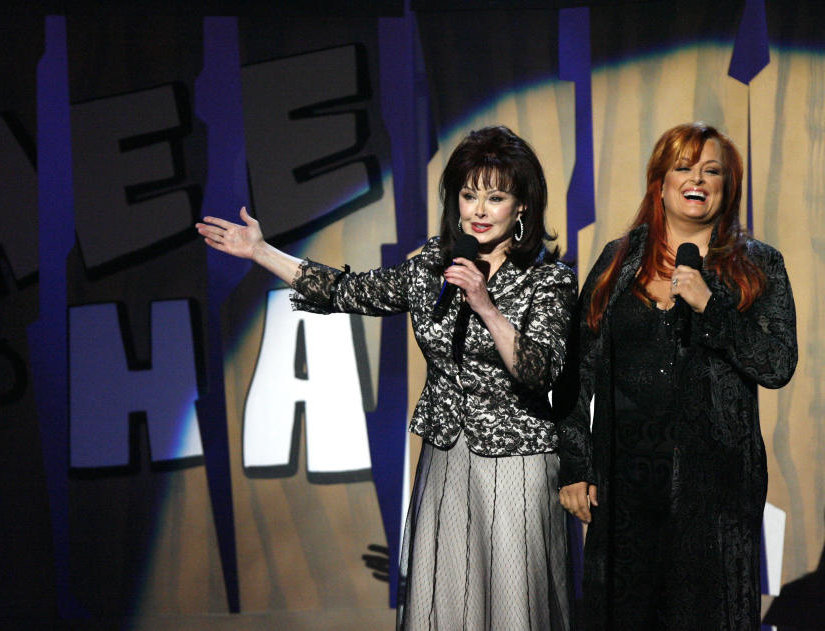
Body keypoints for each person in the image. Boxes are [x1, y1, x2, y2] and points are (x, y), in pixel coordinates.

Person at [198, 126, 575, 630]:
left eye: (495, 197)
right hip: (447, 456)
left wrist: (485, 305)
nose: (479, 210)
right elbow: (348, 291)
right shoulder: (430, 269)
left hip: (518, 462)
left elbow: (539, 371)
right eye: (468, 195)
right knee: (445, 601)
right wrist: (261, 251)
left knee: (512, 603)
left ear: (522, 206)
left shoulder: (548, 278)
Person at [556, 122, 798, 630]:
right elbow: (575, 369)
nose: (698, 179)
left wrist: (712, 308)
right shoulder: (618, 261)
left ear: (727, 187)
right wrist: (576, 465)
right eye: (683, 167)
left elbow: (776, 364)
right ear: (660, 183)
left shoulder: (758, 265)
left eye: (712, 171)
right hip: (625, 488)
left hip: (716, 491)